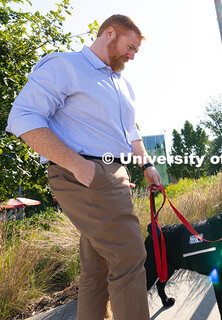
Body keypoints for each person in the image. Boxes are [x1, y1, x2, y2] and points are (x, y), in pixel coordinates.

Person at [6, 15, 160, 320]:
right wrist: (80, 167)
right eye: (130, 47)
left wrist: (147, 167)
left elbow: (131, 134)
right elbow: (23, 117)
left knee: (97, 269)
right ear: (109, 33)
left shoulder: (122, 84)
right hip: (86, 174)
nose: (132, 56)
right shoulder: (65, 66)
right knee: (129, 257)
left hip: (114, 175)